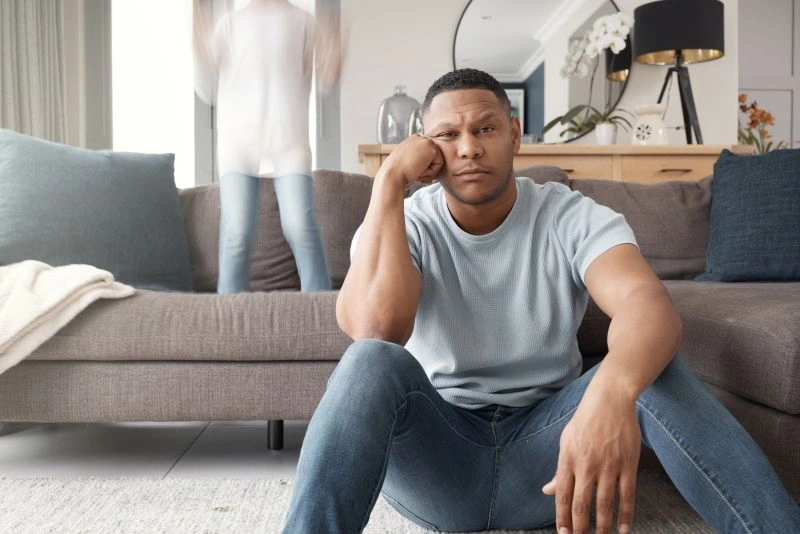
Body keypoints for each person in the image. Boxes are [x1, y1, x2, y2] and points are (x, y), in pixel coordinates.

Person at [283, 69, 800, 533]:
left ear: (513, 134)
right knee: (369, 360)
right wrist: (390, 182)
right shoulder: (403, 221)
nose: (468, 148)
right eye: (448, 135)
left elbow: (647, 304)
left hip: (550, 455)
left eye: (484, 129)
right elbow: (377, 328)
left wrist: (614, 390)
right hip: (439, 460)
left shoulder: (569, 215)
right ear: (428, 148)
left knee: (651, 366)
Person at [192, 0, 341, 293]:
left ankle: (323, 309)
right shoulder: (229, 24)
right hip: (238, 142)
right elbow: (206, 89)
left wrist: (337, 41)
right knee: (236, 232)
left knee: (300, 225)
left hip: (290, 140)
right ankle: (228, 321)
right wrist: (197, 41)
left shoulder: (304, 22)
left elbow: (327, 81)